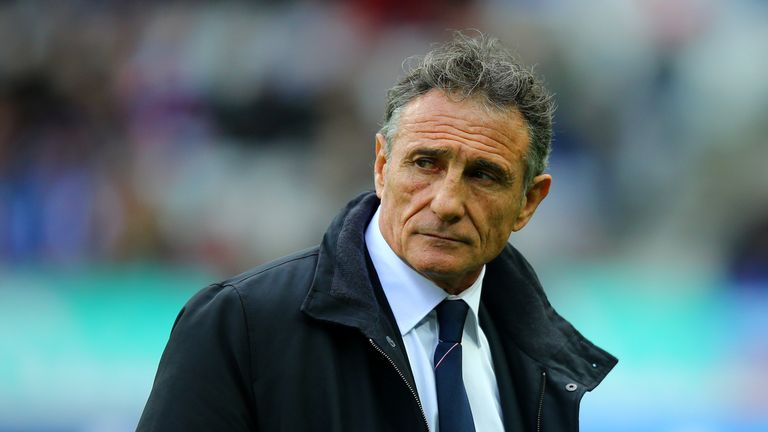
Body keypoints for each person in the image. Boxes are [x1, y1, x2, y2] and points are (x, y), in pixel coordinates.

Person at [137, 32, 616, 432]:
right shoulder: (240, 326)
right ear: (382, 166)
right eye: (425, 163)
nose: (446, 203)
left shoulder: (535, 359)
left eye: (483, 175)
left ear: (528, 202)